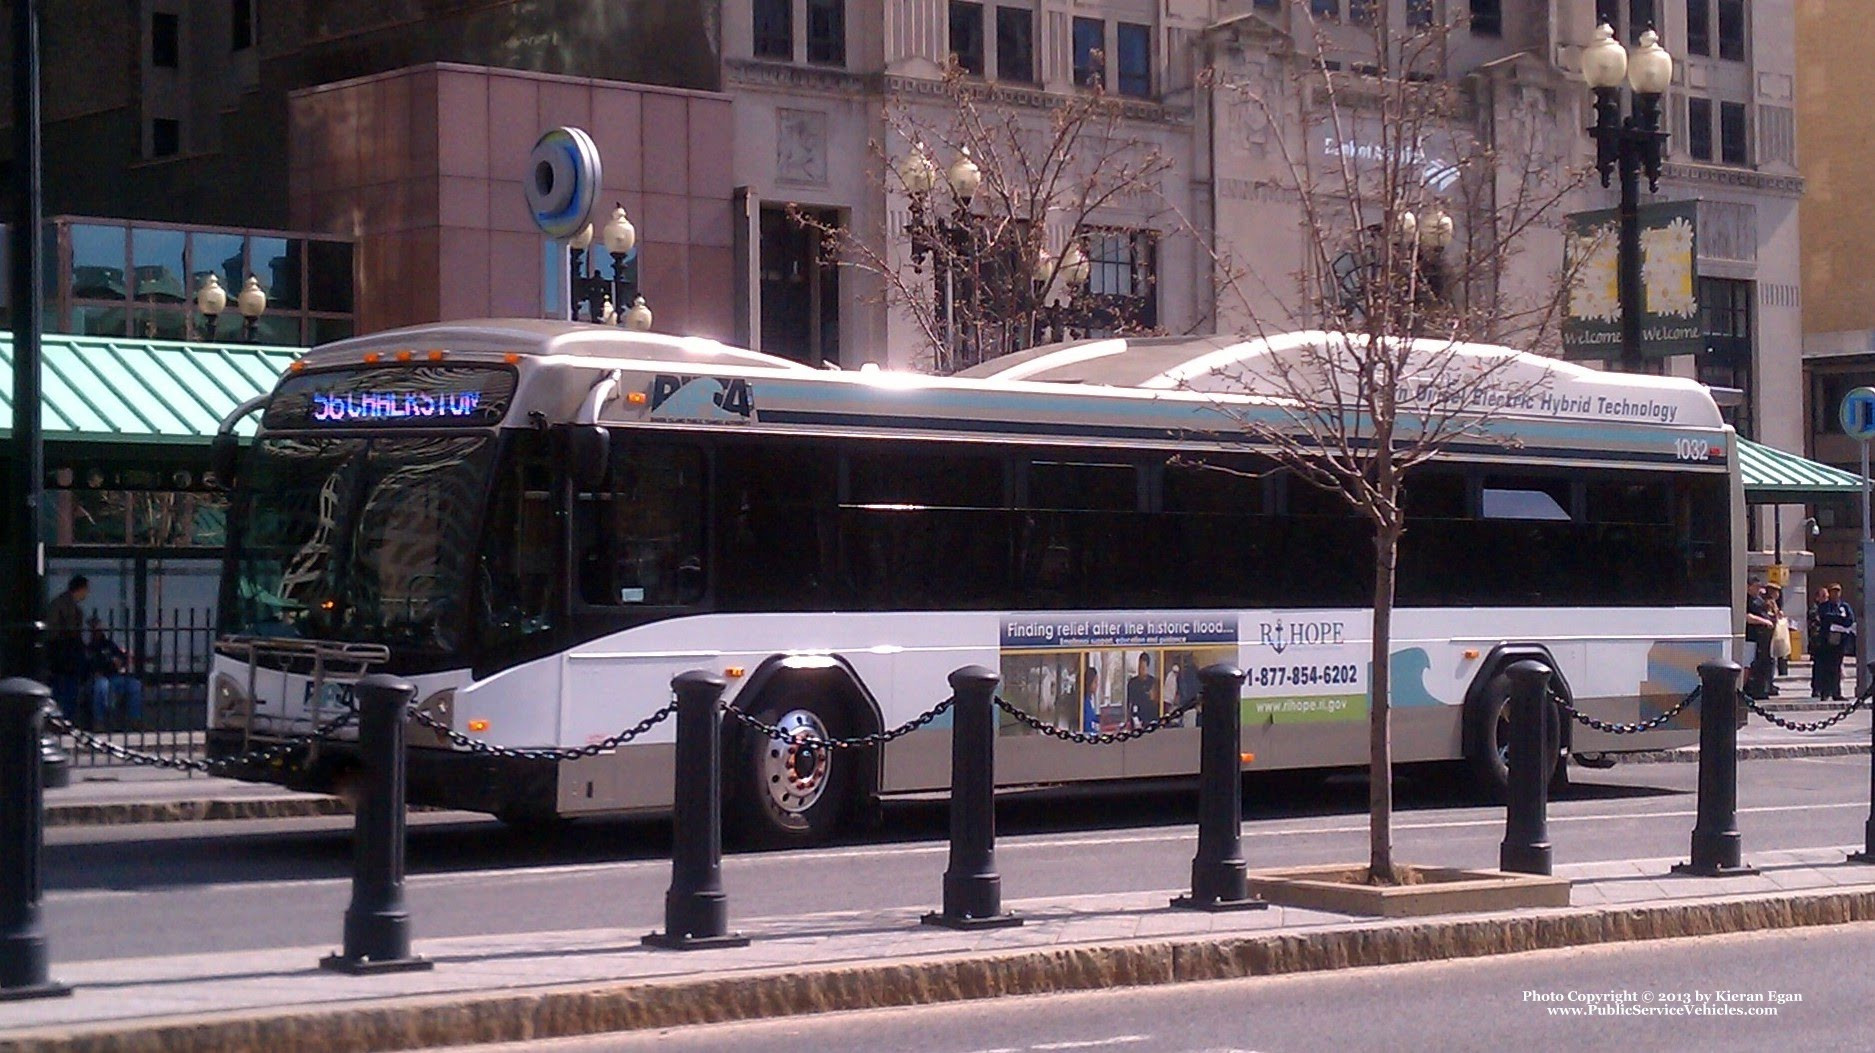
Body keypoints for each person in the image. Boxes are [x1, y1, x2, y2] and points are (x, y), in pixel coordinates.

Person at [45, 575, 91, 727]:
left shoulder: (62, 603)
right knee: (66, 688)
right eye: (86, 589)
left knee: (62, 688)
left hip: (61, 653)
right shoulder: (67, 606)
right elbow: (67, 631)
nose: (87, 593)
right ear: (81, 589)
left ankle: (59, 719)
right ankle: (63, 720)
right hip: (64, 653)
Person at [86, 617, 145, 730]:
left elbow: (120, 658)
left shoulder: (108, 644)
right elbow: (88, 665)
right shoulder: (88, 646)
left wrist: (121, 661)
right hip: (96, 679)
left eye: (99, 629)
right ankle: (99, 721)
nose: (97, 632)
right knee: (101, 685)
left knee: (134, 685)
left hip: (113, 677)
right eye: (94, 629)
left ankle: (135, 720)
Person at [1813, 583, 1857, 702]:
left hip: (1840, 641)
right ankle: (1825, 692)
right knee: (1826, 667)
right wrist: (1839, 619)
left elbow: (1850, 619)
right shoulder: (1824, 606)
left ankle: (1837, 692)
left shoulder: (1844, 606)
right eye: (1833, 591)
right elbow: (1825, 617)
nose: (1835, 594)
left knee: (1837, 667)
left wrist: (1837, 620)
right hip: (1827, 641)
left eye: (1837, 591)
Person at [1744, 578, 1776, 700]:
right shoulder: (1746, 599)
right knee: (1747, 664)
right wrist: (1764, 621)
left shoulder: (1759, 599)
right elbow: (1748, 617)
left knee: (1762, 664)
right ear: (1749, 587)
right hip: (1750, 636)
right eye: (1756, 586)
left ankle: (1760, 689)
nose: (1758, 589)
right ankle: (1742, 689)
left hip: (1762, 638)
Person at [1126, 653, 1158, 729]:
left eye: (1143, 668)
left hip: (1150, 717)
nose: (1140, 670)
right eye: (1139, 667)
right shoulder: (1132, 683)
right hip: (1136, 718)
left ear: (1147, 668)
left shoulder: (1153, 682)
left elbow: (1156, 700)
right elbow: (1129, 702)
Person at [1082, 662, 1101, 735]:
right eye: (1095, 682)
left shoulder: (1089, 701)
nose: (1097, 685)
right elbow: (1088, 726)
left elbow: (1093, 718)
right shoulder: (1084, 702)